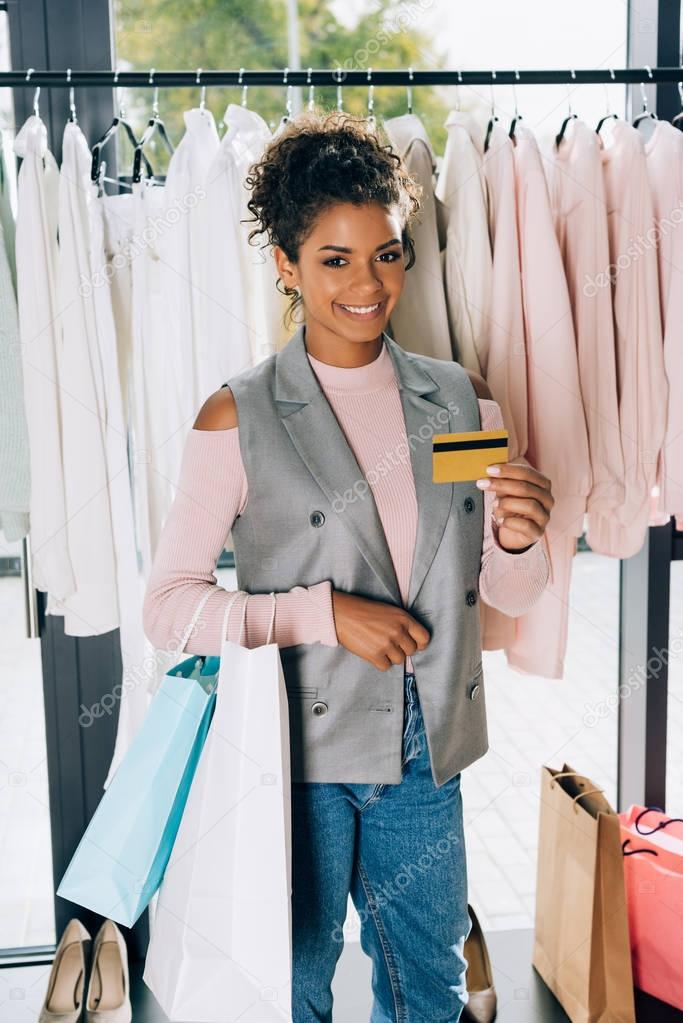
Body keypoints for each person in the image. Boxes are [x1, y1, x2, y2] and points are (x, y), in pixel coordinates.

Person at [143, 107, 553, 1023]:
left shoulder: (457, 402)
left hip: (427, 752)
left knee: (429, 987)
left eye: (387, 252)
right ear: (285, 265)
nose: (369, 283)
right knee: (290, 988)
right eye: (334, 259)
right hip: (294, 755)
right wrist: (321, 614)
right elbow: (168, 607)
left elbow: (503, 591)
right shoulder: (236, 415)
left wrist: (521, 540)